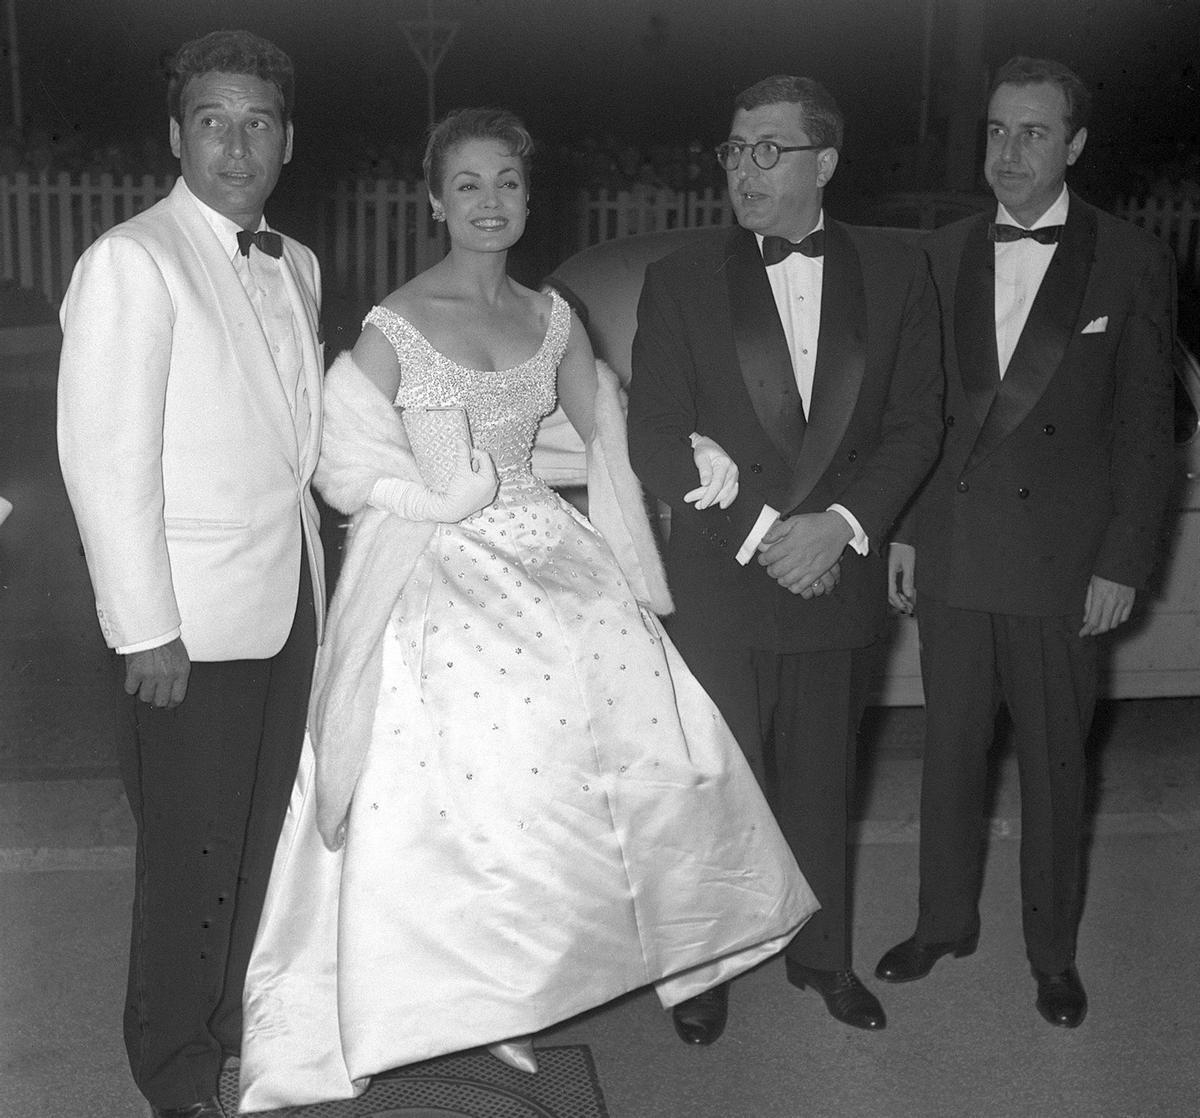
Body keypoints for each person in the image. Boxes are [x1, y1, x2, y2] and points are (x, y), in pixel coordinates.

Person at [236, 107, 816, 1112]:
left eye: (506, 181)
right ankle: (466, 990)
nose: (490, 202)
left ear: (527, 195)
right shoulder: (398, 322)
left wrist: (693, 456)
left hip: (547, 541)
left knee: (631, 729)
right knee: (472, 766)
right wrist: (430, 499)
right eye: (468, 184)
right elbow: (339, 459)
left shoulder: (553, 316)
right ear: (434, 200)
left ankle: (603, 950)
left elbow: (613, 430)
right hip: (434, 555)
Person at [627, 74, 944, 1043]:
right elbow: (657, 436)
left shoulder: (896, 274)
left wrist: (843, 524)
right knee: (715, 786)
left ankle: (821, 956)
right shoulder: (682, 278)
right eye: (734, 148)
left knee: (821, 784)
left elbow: (915, 422)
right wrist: (768, 536)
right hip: (728, 579)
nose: (745, 169)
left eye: (770, 149)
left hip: (836, 578)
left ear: (825, 164)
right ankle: (705, 969)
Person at [875, 57, 1176, 1029]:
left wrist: (1123, 558)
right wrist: (911, 530)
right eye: (998, 130)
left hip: (1060, 567)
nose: (1009, 152)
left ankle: (1052, 953)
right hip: (958, 551)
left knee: (1054, 769)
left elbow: (1145, 429)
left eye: (1034, 133)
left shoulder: (1130, 260)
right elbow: (920, 414)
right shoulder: (942, 251)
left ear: (1076, 144)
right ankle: (942, 921)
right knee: (950, 756)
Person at [56, 31, 325, 1118]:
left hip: (289, 601)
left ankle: (227, 1032)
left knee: (257, 844)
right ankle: (173, 1069)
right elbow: (103, 461)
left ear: (288, 139)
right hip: (187, 624)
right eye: (213, 119)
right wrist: (145, 627)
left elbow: (295, 442)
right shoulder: (134, 258)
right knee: (188, 858)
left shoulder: (296, 262)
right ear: (176, 135)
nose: (236, 141)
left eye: (258, 120)